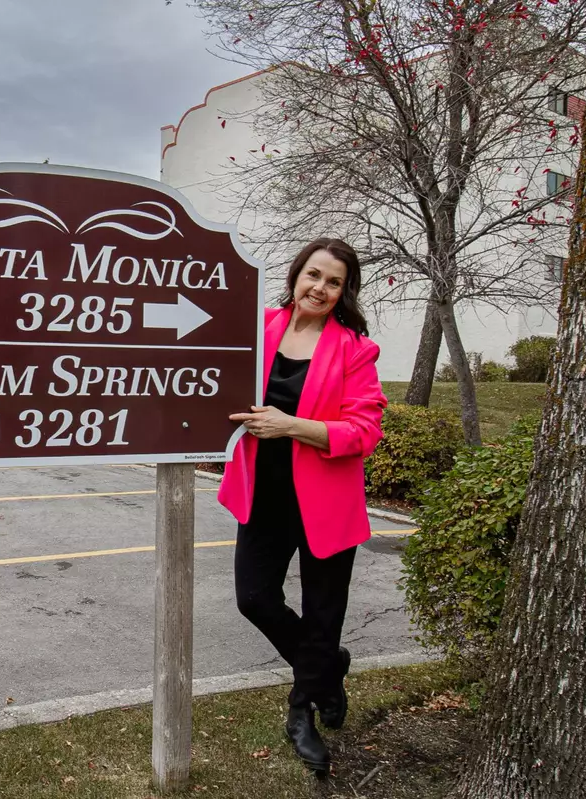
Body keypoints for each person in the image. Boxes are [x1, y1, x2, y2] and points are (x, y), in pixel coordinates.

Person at [218, 237, 387, 773]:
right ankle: (327, 671)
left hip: (325, 501)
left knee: (323, 613)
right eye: (313, 275)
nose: (319, 288)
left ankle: (302, 712)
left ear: (343, 292)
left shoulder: (355, 349)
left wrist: (291, 426)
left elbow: (365, 430)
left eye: (333, 282)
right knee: (254, 597)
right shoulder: (254, 328)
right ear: (295, 275)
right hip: (263, 493)